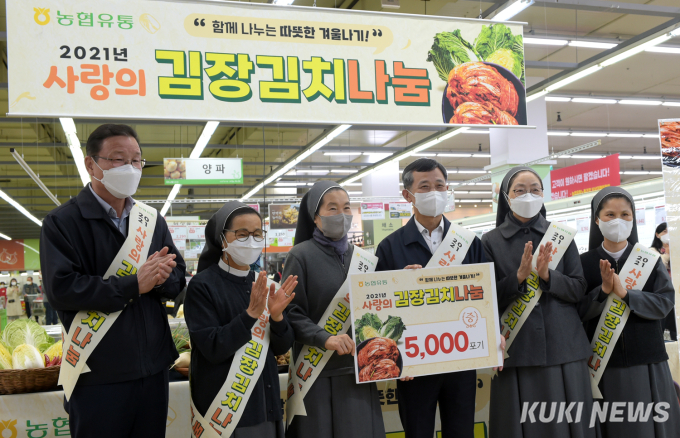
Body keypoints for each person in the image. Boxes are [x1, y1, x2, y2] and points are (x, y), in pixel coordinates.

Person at [40, 123, 186, 438]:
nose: (130, 168)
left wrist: (162, 279)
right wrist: (133, 284)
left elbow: (177, 278)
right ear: (91, 164)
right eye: (118, 159)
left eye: (136, 160)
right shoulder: (62, 223)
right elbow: (61, 289)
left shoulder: (150, 219)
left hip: (153, 369)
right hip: (97, 374)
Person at [374, 158, 487, 438]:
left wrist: (492, 333)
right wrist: (399, 285)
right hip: (414, 363)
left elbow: (486, 293)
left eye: (440, 186)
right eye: (424, 187)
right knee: (417, 432)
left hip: (461, 358)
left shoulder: (469, 242)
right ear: (408, 195)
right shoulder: (390, 247)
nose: (434, 192)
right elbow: (378, 305)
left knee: (461, 431)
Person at [482, 166, 595, 438]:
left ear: (543, 194)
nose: (528, 195)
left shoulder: (561, 236)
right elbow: (486, 297)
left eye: (535, 190)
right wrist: (518, 277)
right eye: (520, 190)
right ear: (506, 197)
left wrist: (547, 276)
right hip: (518, 349)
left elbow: (578, 289)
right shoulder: (490, 241)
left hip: (564, 346)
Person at [186, 202, 297, 437]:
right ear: (222, 239)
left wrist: (277, 316)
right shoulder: (202, 286)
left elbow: (281, 347)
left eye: (257, 234)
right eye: (242, 234)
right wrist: (250, 316)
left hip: (266, 404)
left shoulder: (264, 283)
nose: (251, 241)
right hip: (227, 409)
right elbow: (212, 347)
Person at [284, 180, 385, 438]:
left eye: (346, 207)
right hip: (316, 373)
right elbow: (291, 312)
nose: (342, 214)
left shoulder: (364, 259)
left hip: (359, 371)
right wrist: (324, 337)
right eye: (332, 208)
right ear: (315, 217)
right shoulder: (300, 256)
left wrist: (404, 281)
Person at [579, 187, 680, 437]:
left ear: (633, 218)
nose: (618, 221)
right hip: (604, 364)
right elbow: (577, 311)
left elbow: (665, 302)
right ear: (596, 219)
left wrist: (627, 295)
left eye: (625, 214)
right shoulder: (584, 263)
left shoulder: (649, 259)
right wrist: (603, 291)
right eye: (610, 214)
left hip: (647, 360)